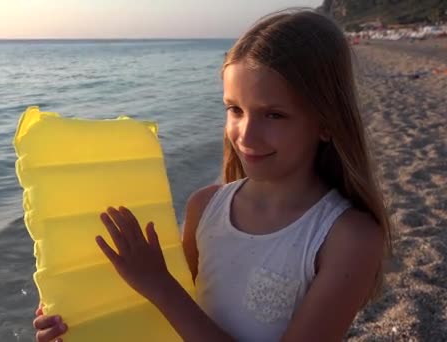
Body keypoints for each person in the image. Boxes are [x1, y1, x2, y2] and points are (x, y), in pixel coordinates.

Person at [33, 8, 393, 342]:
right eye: (235, 109)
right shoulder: (204, 208)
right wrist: (82, 322)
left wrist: (160, 285)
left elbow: (169, 299)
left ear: (326, 122)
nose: (245, 136)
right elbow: (166, 324)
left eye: (274, 115)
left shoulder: (348, 238)